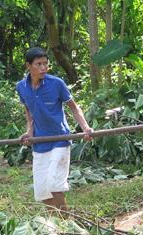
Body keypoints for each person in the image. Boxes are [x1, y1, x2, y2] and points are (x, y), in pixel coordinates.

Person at [16, 47, 93, 211]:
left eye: (45, 63)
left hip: (60, 140)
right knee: (42, 190)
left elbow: (74, 107)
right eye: (39, 64)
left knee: (54, 184)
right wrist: (29, 131)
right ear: (28, 66)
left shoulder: (56, 83)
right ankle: (55, 226)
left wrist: (85, 127)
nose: (43, 67)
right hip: (40, 142)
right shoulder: (21, 87)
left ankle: (67, 222)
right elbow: (28, 110)